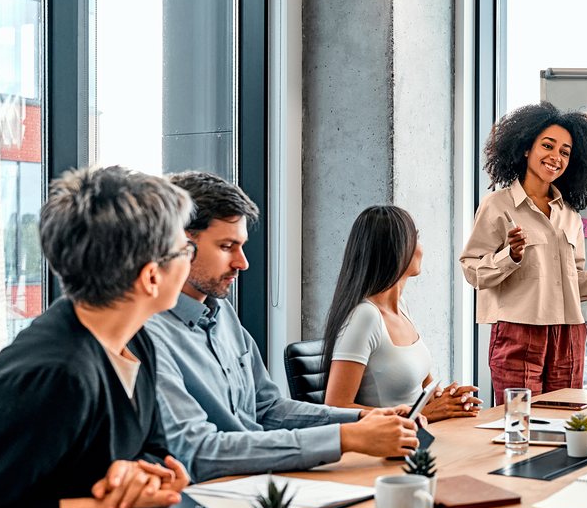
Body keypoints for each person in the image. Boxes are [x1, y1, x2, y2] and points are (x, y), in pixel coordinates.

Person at [0, 167, 194, 508]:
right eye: (185, 250)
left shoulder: (136, 339)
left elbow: (153, 447)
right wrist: (107, 505)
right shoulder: (52, 375)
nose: (189, 258)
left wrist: (141, 475)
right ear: (151, 277)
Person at [145, 173, 418, 485]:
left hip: (258, 482)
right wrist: (345, 438)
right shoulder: (148, 335)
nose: (242, 263)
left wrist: (362, 418)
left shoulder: (223, 315)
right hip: (209, 496)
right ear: (180, 245)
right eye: (227, 246)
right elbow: (199, 451)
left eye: (241, 246)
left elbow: (269, 409)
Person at [459, 102, 587, 398]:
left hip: (569, 333)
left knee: (564, 421)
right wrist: (510, 256)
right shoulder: (497, 206)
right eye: (548, 146)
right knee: (523, 423)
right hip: (519, 330)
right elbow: (472, 270)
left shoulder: (570, 215)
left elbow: (572, 282)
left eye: (565, 152)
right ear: (526, 148)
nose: (556, 157)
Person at [322, 205, 480, 421]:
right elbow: (336, 406)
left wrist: (448, 399)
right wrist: (423, 414)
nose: (421, 247)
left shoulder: (402, 307)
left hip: (418, 437)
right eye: (415, 238)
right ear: (394, 250)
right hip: (387, 446)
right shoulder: (365, 317)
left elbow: (426, 391)